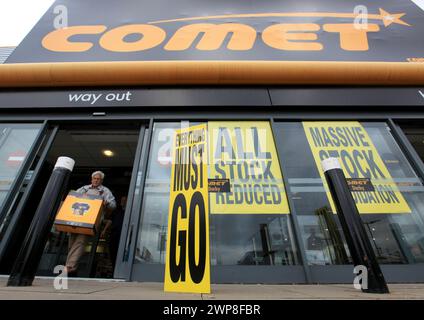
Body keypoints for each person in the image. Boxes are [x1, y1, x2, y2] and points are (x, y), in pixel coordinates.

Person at [65, 171, 116, 276]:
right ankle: (73, 268)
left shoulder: (105, 191)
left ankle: (70, 266)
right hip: (76, 218)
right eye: (94, 178)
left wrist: (107, 204)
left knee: (80, 242)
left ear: (101, 180)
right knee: (72, 242)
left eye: (98, 179)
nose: (96, 180)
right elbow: (72, 198)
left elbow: (113, 205)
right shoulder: (84, 188)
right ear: (91, 179)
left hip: (91, 221)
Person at [101, 195, 127, 271]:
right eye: (122, 200)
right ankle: (114, 268)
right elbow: (110, 220)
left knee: (121, 251)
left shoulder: (130, 210)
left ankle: (120, 269)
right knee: (112, 250)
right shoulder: (117, 210)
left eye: (125, 200)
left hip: (124, 234)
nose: (123, 202)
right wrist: (104, 230)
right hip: (114, 233)